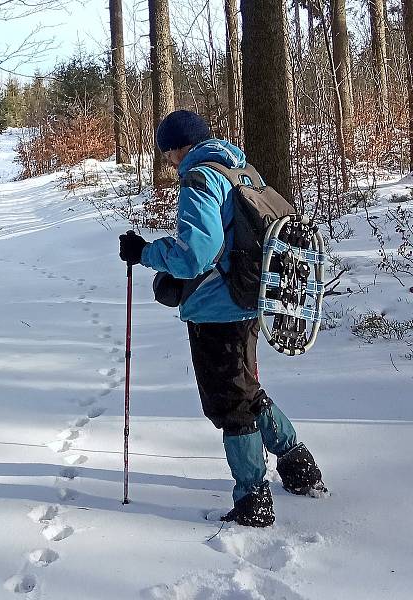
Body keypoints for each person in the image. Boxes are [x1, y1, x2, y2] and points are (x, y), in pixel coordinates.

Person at [119, 109, 326, 527]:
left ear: (178, 147)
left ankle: (253, 499)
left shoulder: (199, 178)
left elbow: (197, 253)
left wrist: (145, 253)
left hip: (217, 309)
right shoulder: (240, 171)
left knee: (231, 404)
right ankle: (298, 465)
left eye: (167, 153)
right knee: (246, 391)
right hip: (251, 300)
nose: (169, 162)